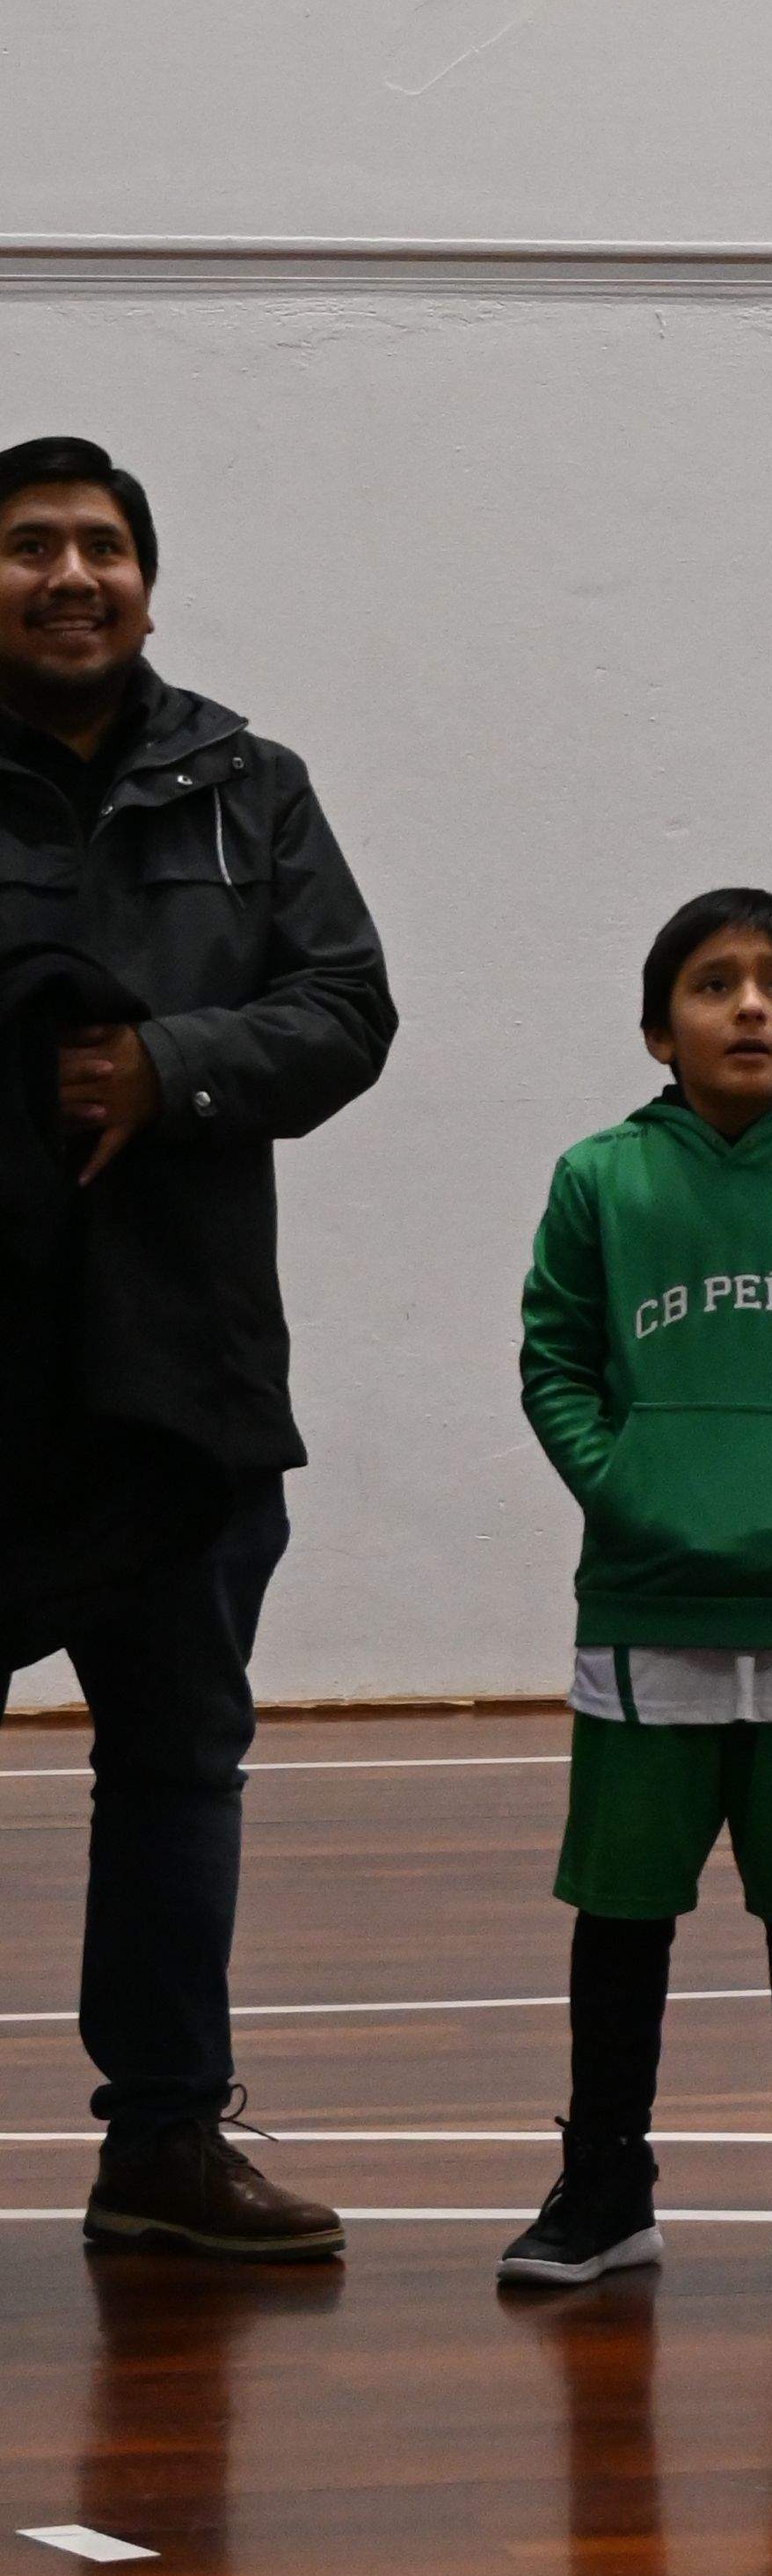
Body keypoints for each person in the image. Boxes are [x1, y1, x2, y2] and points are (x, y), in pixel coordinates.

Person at [0, 435, 394, 2264]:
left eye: (100, 547)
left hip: (183, 1374)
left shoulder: (251, 786)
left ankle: (162, 2144)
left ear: (147, 579)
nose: (69, 577)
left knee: (176, 1767)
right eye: (28, 549)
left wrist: (167, 1064)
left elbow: (343, 1009)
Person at [503, 885, 772, 2289]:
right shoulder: (600, 1182)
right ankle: (603, 2182)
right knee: (624, 1908)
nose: (747, 1005)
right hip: (646, 1610)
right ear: (657, 1030)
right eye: (711, 984)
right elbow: (556, 1364)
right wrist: (632, 1490)